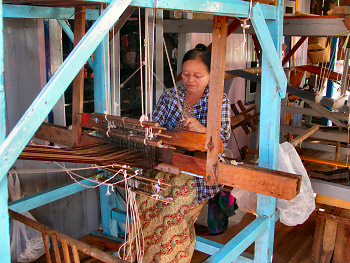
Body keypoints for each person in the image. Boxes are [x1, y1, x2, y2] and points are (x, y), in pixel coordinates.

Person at [126, 44, 231, 263]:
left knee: (170, 214)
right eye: (186, 74)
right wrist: (149, 128)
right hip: (167, 162)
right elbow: (156, 127)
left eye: (198, 75)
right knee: (143, 202)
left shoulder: (218, 101)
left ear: (211, 76)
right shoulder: (171, 96)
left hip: (199, 170)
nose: (190, 80)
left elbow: (223, 139)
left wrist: (202, 131)